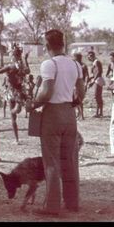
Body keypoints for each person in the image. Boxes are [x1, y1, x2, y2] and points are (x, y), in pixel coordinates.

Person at [26, 29, 85, 216]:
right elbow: (81, 90)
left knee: (51, 161)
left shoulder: (48, 64)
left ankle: (51, 206)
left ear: (47, 45)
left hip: (52, 114)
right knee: (70, 159)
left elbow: (47, 92)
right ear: (63, 44)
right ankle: (72, 202)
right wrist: (74, 103)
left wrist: (33, 105)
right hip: (69, 114)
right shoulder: (75, 64)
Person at [0, 44, 30, 144]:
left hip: (11, 92)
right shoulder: (23, 67)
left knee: (13, 117)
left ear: (13, 56)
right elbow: (28, 71)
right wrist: (26, 59)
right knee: (14, 112)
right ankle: (18, 107)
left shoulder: (9, 66)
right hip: (20, 91)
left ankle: (17, 139)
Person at [87, 51, 105, 117]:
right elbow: (95, 73)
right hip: (97, 79)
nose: (89, 57)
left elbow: (99, 71)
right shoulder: (94, 62)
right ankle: (99, 112)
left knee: (97, 96)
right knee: (97, 96)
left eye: (90, 56)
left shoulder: (96, 62)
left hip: (98, 80)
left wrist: (93, 80)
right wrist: (90, 78)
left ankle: (100, 113)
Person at [73, 52, 89, 120]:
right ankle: (79, 114)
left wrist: (85, 83)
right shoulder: (76, 65)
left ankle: (81, 115)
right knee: (76, 99)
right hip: (77, 83)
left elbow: (87, 75)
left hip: (79, 83)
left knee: (78, 99)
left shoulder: (82, 65)